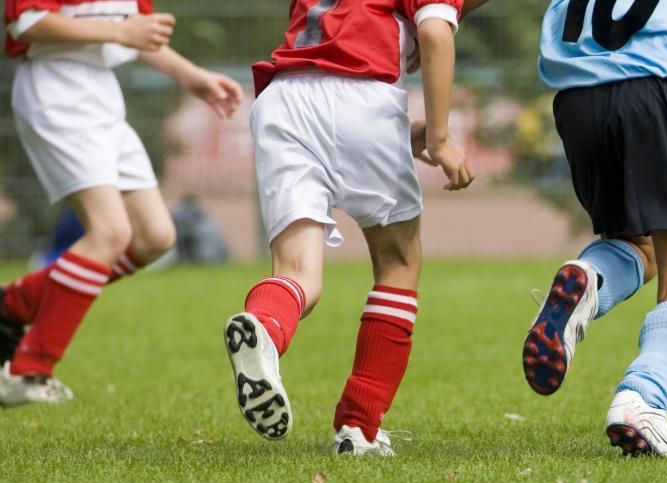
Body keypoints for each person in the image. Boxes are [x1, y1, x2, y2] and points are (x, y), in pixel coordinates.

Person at [224, 0, 473, 456]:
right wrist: (439, 136)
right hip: (362, 96)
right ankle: (360, 427)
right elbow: (436, 33)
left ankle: (263, 326)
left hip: (283, 99)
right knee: (399, 262)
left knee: (298, 274)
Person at [523, 0, 667, 457]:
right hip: (658, 95)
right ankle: (642, 400)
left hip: (577, 102)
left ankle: (588, 280)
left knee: (637, 245)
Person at [0, 0, 242, 406]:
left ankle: (13, 304)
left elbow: (137, 33)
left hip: (102, 95)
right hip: (56, 91)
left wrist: (191, 76)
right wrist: (119, 33)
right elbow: (26, 23)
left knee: (155, 236)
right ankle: (27, 370)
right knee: (109, 232)